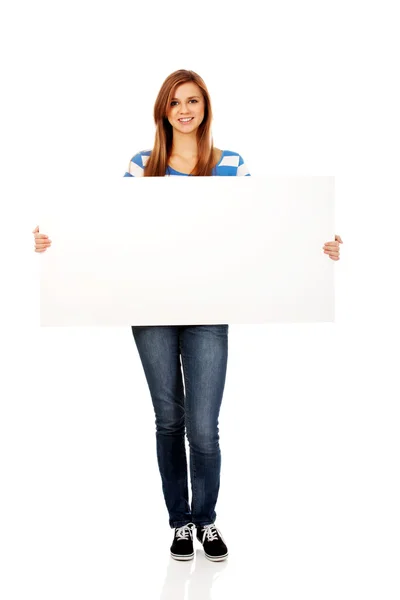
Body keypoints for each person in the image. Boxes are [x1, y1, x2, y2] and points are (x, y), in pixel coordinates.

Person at [33, 69, 343, 562]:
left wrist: (315, 247)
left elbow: (265, 229)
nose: (184, 110)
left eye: (193, 101)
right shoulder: (142, 166)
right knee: (167, 420)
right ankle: (180, 522)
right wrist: (56, 243)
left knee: (204, 426)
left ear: (205, 107)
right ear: (163, 109)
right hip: (150, 308)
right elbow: (107, 228)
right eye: (176, 101)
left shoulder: (231, 165)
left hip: (209, 309)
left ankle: (207, 520)